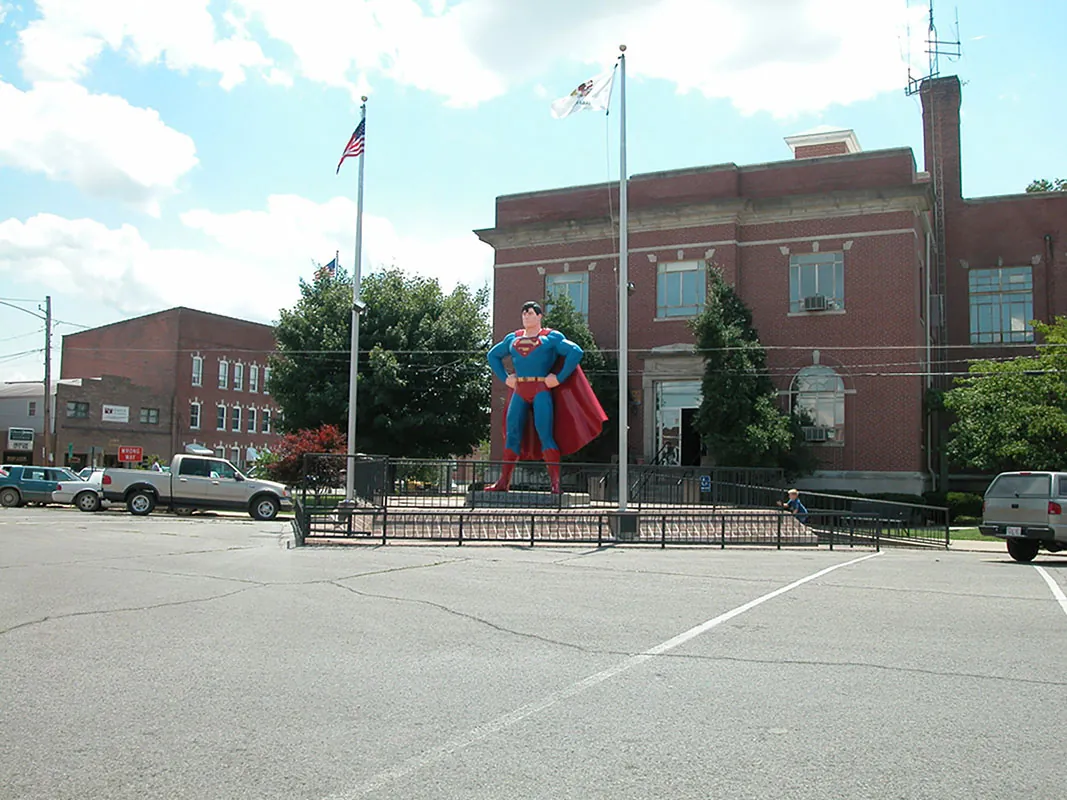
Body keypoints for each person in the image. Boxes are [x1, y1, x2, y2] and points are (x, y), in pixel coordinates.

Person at [486, 301, 607, 493]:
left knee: (546, 435)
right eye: (524, 313)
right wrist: (505, 378)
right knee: (512, 435)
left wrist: (558, 378)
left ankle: (555, 483)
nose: (527, 316)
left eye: (531, 313)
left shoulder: (550, 337)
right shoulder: (513, 338)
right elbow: (492, 355)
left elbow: (575, 352)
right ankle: (503, 482)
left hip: (541, 390)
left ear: (540, 316)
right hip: (520, 390)